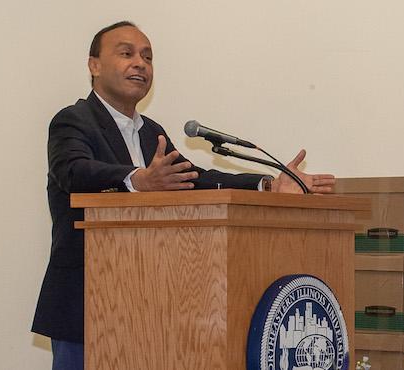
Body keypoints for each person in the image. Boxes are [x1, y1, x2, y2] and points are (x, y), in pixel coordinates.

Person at [31, 21, 336, 369]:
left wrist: (266, 185)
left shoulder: (152, 133)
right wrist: (136, 180)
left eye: (147, 57)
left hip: (151, 303)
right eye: (126, 53)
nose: (140, 64)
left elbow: (194, 178)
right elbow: (74, 172)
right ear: (94, 65)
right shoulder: (72, 121)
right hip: (86, 300)